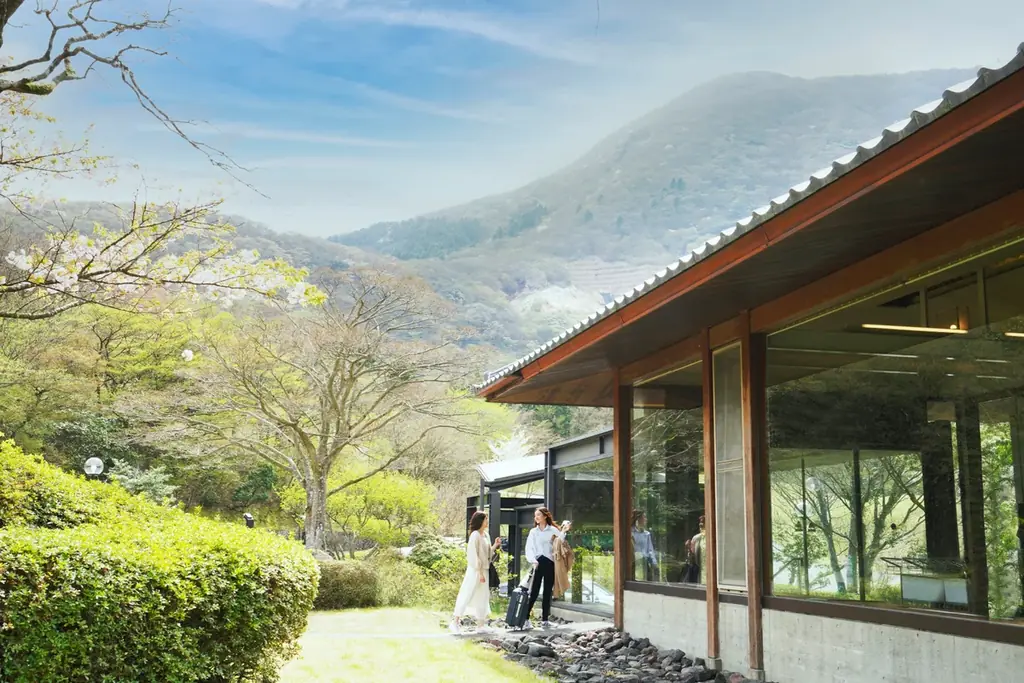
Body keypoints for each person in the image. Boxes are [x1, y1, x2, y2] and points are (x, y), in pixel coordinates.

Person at [450, 511, 501, 634]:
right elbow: (473, 555)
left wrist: (495, 545)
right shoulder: (475, 535)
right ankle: (455, 622)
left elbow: (487, 553)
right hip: (475, 571)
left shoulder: (486, 535)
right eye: (485, 519)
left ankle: (481, 625)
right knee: (467, 593)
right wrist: (480, 573)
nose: (487, 521)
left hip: (485, 569)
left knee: (483, 596)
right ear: (480, 521)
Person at [525, 507, 571, 629]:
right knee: (534, 592)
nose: (536, 517)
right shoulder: (533, 532)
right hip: (538, 562)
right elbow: (529, 548)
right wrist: (533, 561)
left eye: (539, 515)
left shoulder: (553, 530)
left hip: (550, 563)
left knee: (547, 592)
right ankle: (525, 619)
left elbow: (560, 542)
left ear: (545, 516)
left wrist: (564, 530)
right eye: (535, 515)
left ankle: (545, 620)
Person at [631, 510, 658, 581]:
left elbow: (650, 550)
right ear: (638, 519)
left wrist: (654, 564)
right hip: (634, 563)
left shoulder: (646, 534)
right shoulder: (630, 533)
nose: (646, 519)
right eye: (644, 517)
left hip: (645, 565)